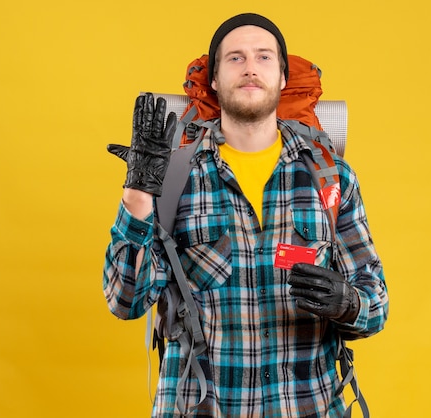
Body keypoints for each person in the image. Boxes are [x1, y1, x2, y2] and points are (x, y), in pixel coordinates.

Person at [103, 12, 388, 417]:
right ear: (215, 80)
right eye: (235, 58)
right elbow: (125, 301)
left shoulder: (330, 176)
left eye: (264, 57)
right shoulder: (173, 175)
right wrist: (137, 196)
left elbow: (376, 306)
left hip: (309, 406)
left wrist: (347, 301)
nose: (250, 67)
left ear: (283, 77)